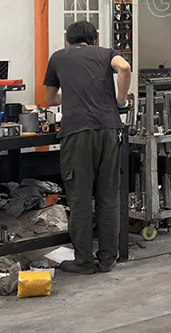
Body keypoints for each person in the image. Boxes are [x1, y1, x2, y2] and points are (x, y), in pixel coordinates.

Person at [43, 20, 132, 274]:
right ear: (94, 40)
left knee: (80, 199)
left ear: (68, 40)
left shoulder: (58, 57)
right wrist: (120, 101)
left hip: (77, 133)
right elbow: (124, 67)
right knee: (108, 197)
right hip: (110, 130)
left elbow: (49, 100)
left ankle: (83, 262)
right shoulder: (105, 54)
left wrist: (69, 94)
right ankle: (107, 259)